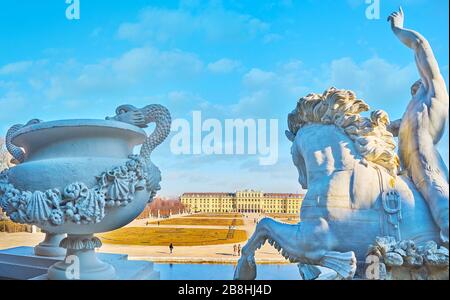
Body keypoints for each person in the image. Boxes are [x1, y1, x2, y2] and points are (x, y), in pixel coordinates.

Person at [387, 8, 449, 243]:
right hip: (402, 170)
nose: (414, 92)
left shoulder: (436, 93)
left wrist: (398, 28)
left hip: (426, 166)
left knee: (444, 213)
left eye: (417, 87)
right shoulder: (410, 113)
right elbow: (386, 127)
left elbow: (420, 44)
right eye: (412, 92)